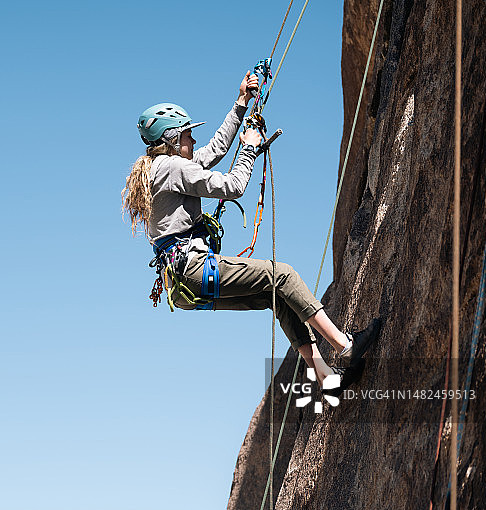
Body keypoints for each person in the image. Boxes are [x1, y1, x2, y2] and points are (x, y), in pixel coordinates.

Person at [121, 72, 381, 394]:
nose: (193, 141)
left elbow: (214, 150)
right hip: (195, 269)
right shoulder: (174, 168)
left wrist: (241, 103)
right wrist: (248, 151)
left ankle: (327, 378)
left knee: (276, 296)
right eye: (187, 135)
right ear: (173, 139)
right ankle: (344, 346)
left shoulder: (159, 169)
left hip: (182, 285)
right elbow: (233, 186)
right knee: (283, 277)